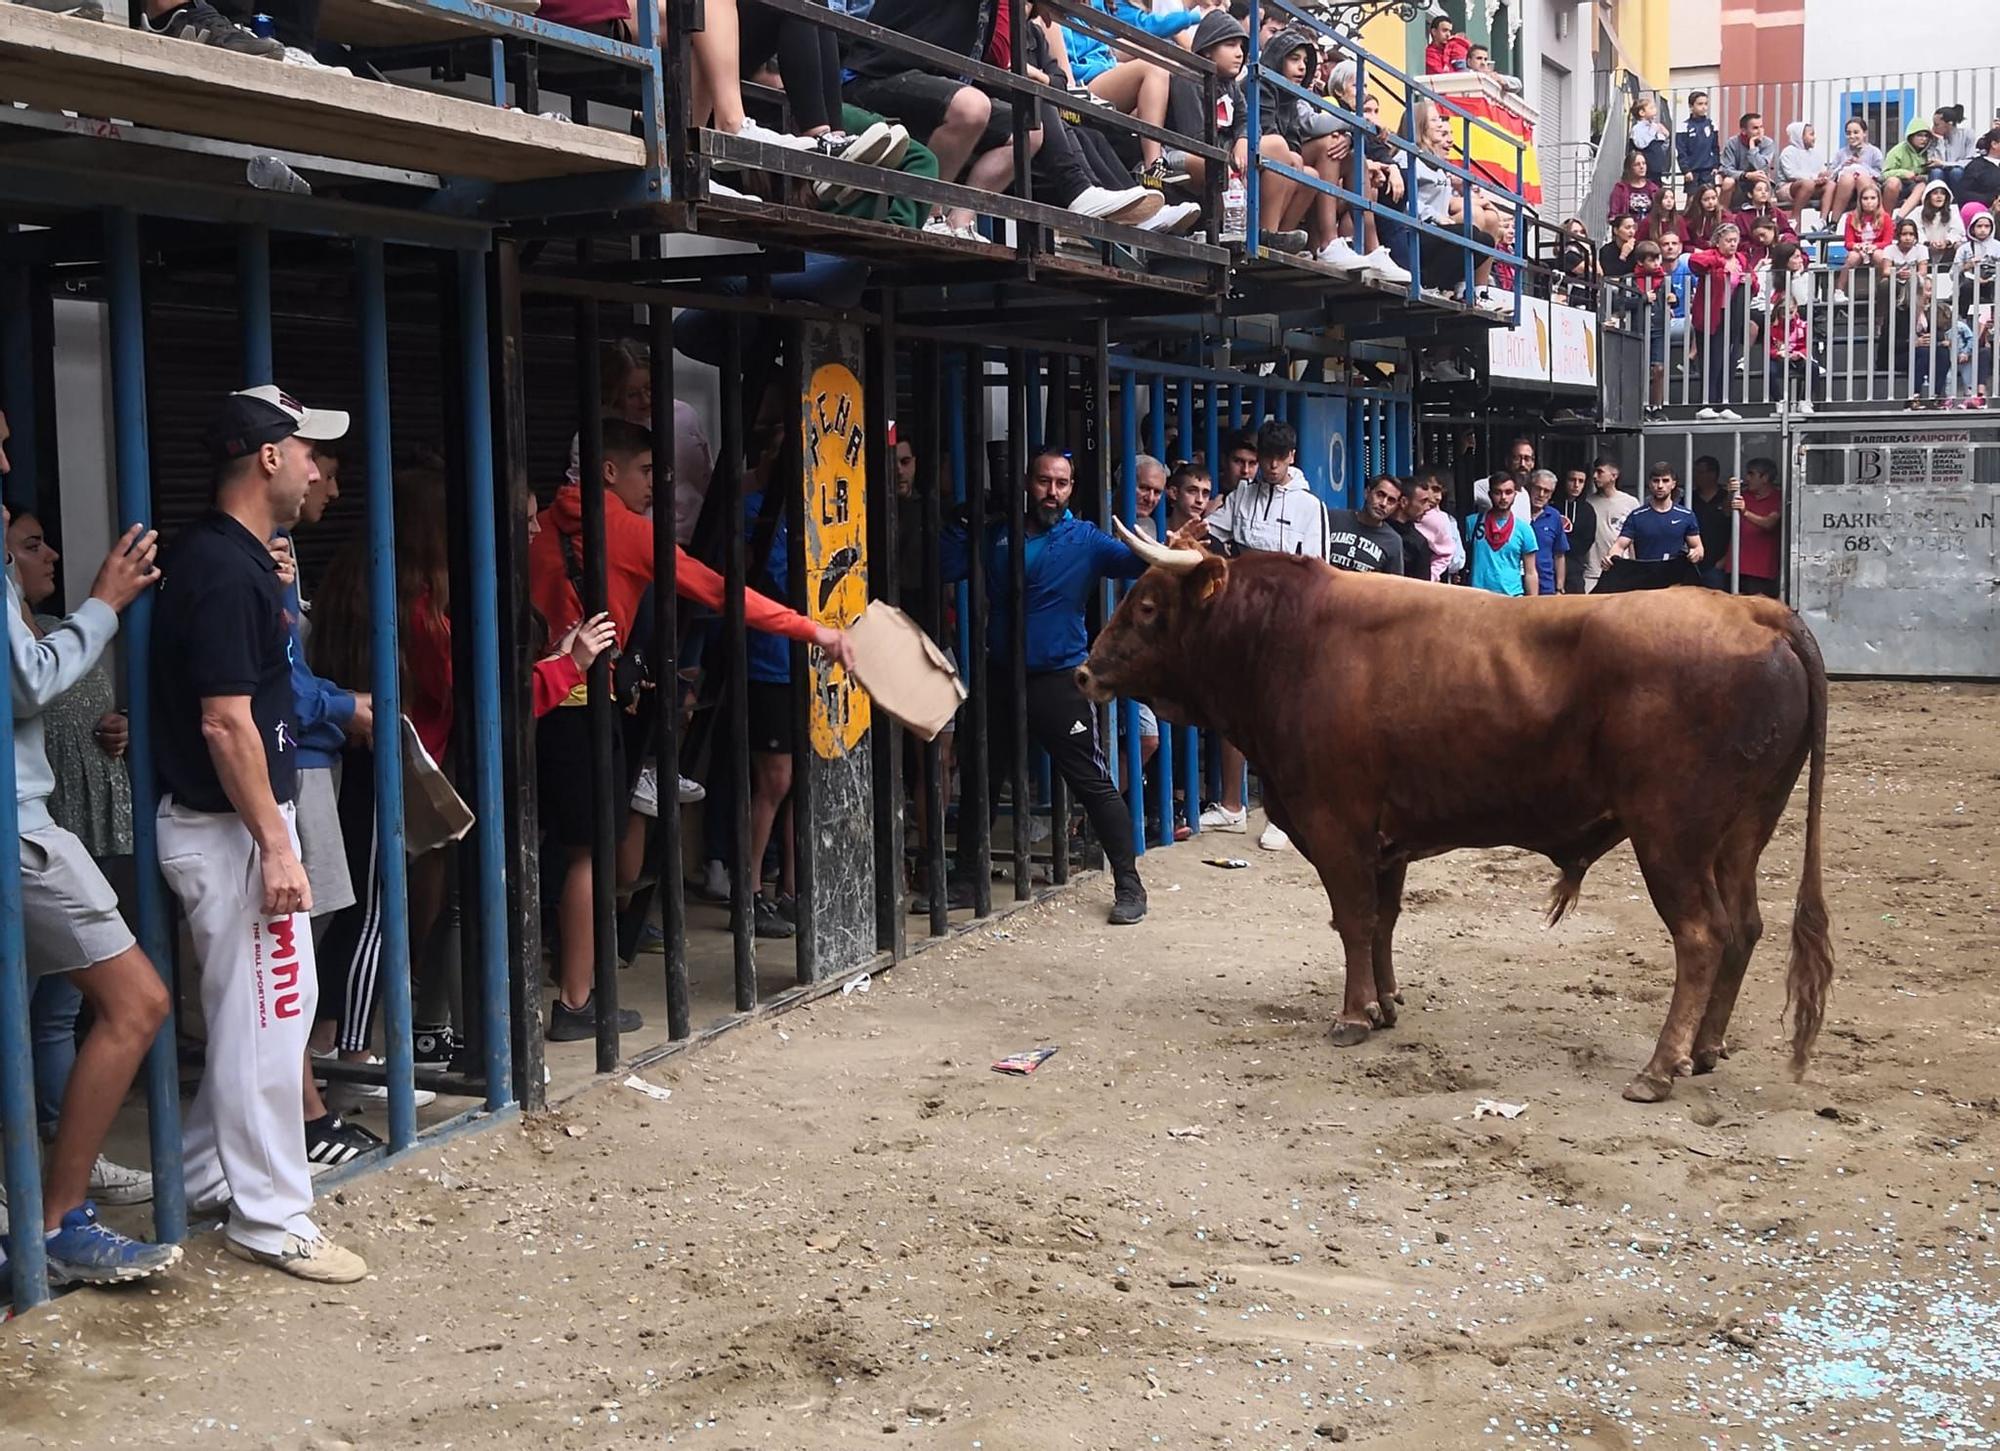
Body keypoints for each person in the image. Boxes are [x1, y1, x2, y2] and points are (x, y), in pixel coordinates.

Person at [528, 417, 855, 1038]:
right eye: (647, 471)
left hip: (534, 700)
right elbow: (719, 591)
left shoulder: (540, 525)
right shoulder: (623, 531)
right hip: (582, 703)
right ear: (609, 471)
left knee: (565, 850)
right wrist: (816, 631)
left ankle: (577, 988)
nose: (658, 484)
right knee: (590, 858)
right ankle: (575, 1003)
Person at [150, 387, 368, 1283]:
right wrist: (278, 845)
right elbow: (224, 724)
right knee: (269, 1026)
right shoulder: (221, 567)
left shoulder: (238, 561)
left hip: (238, 822)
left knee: (269, 1020)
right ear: (268, 457)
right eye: (306, 449)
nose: (319, 467)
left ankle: (208, 1172)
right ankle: (272, 1216)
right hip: (230, 827)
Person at [3, 478, 177, 1286]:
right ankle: (56, 1220)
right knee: (137, 1000)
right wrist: (104, 604)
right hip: (21, 824)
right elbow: (29, 682)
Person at [940, 449, 1150, 922]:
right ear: (1027, 483)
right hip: (1000, 675)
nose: (1051, 492)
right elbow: (946, 565)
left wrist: (1172, 543)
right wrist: (959, 521)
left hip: (1060, 680)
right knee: (980, 778)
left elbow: (1137, 564)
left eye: (1061, 483)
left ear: (1071, 488)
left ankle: (1130, 885)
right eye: (1043, 481)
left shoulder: (1086, 540)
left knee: (1093, 782)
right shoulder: (999, 532)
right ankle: (970, 880)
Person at [1200, 418, 1327, 837]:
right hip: (1242, 615)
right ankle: (1233, 804)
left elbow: (1317, 569)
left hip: (1287, 619)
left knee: (1283, 721)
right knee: (1236, 712)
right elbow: (1212, 533)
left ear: (1291, 457)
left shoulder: (1310, 507)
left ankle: (1282, 816)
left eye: (1277, 458)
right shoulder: (1241, 496)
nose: (1269, 466)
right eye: (1264, 458)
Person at [1689, 220, 1751, 418]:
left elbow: (1753, 281)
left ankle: (1724, 404)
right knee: (1711, 358)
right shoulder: (1711, 256)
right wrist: (1721, 264)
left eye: (1735, 240)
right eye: (1728, 241)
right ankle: (1705, 403)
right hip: (1710, 314)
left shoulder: (1741, 259)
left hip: (1732, 313)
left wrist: (1748, 280)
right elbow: (1695, 262)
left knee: (1730, 358)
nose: (1733, 244)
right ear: (1718, 242)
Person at [1611, 462, 1703, 565]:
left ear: (1673, 484)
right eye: (1656, 481)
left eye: (1665, 481)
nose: (1660, 486)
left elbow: (1698, 547)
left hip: (1675, 577)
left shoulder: (1686, 516)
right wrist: (1610, 557)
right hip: (1645, 577)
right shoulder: (1637, 516)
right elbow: (1619, 545)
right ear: (1650, 484)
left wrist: (1696, 553)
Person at [1462, 473, 1537, 597]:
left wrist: (1533, 605)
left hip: (1512, 598)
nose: (1503, 497)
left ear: (1515, 495)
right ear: (1490, 494)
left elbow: (1530, 572)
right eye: (1498, 492)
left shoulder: (1524, 529)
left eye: (1508, 492)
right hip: (1477, 597)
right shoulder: (1471, 523)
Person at [1324, 475, 1404, 576]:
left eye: (1391, 501)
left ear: (1396, 507)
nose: (1383, 504)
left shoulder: (1393, 541)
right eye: (1380, 495)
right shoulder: (1332, 518)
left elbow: (1393, 585)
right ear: (1367, 493)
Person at [1582, 455, 1635, 591]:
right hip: (1592, 572)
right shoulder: (1587, 503)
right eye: (1594, 472)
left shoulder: (1630, 503)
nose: (1594, 476)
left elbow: (1634, 541)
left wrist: (1634, 568)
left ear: (1614, 475)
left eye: (1600, 472)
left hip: (1621, 572)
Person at [1732, 456, 1784, 598]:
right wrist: (1732, 493)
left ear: (1765, 477)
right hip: (1737, 565)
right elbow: (1725, 512)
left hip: (1762, 568)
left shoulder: (1778, 498)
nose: (1747, 478)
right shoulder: (1744, 495)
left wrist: (1745, 512)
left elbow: (1769, 524)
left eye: (1751, 474)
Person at [1827, 118, 1887, 224]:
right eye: (1848, 133)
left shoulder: (1874, 152)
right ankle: (1833, 222)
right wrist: (1843, 165)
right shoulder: (1841, 153)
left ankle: (1869, 220)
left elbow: (1880, 175)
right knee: (1847, 177)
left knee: (1861, 177)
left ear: (1864, 133)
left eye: (1856, 132)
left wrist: (1861, 164)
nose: (1852, 136)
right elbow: (1831, 174)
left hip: (1867, 186)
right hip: (1844, 188)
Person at [1687, 455, 1735, 588]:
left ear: (1713, 474)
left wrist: (1725, 561)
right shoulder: (1689, 499)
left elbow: (1739, 531)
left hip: (1719, 565)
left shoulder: (1727, 498)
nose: (1696, 476)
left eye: (1700, 472)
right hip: (1693, 564)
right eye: (1695, 472)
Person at [1410, 467, 1461, 582]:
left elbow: (1450, 556)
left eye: (1440, 492)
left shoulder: (1439, 519)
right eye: (1434, 489)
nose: (1438, 497)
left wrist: (1429, 577)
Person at [1524, 469, 1568, 595]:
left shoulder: (1554, 516)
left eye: (1547, 491)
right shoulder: (1518, 512)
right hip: (1518, 585)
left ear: (1551, 494)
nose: (1541, 494)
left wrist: (1559, 588)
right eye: (1538, 488)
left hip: (1546, 587)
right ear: (1530, 488)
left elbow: (1559, 555)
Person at [1719, 111, 1775, 210]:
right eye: (1755, 128)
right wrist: (1746, 175)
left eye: (1761, 127)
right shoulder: (1732, 143)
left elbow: (1761, 167)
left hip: (1758, 183)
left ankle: (1768, 216)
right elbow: (1726, 169)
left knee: (1763, 180)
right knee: (1728, 182)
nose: (1760, 131)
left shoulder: (1768, 143)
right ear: (1743, 131)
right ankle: (1723, 216)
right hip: (1738, 183)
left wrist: (1752, 147)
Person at [1553, 466, 1596, 594]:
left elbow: (1586, 542)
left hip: (1576, 571)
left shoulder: (1588, 511)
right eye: (1572, 480)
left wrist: (1563, 545)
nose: (1576, 485)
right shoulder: (1553, 507)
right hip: (1551, 569)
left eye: (1581, 481)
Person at [1905, 180, 1967, 267]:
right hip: (1925, 250)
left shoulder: (1952, 211)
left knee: (1960, 246)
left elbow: (1958, 231)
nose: (1939, 196)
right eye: (1935, 193)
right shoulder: (1918, 212)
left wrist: (1947, 242)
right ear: (1928, 196)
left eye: (1942, 193)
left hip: (1947, 250)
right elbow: (1914, 230)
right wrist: (1928, 243)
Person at [1777, 120, 1832, 216]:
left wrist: (1824, 177)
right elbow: (1791, 175)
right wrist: (1814, 178)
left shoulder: (1815, 154)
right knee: (1808, 184)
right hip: (1788, 187)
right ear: (1800, 136)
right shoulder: (1788, 152)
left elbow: (1820, 171)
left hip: (1811, 185)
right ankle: (1794, 218)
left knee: (1830, 185)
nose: (1814, 138)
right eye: (1811, 134)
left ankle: (1822, 221)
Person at [1388, 476, 1435, 582]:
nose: (1427, 507)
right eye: (1423, 501)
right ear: (1404, 502)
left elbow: (1423, 587)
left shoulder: (1419, 542)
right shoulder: (1376, 528)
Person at [1882, 122, 1935, 212]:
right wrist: (1904, 173)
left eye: (1926, 136)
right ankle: (1886, 217)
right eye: (1919, 135)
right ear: (1911, 136)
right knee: (1893, 182)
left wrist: (1923, 177)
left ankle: (1899, 217)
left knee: (1922, 186)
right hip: (1898, 186)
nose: (1924, 139)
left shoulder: (1930, 152)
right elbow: (1884, 174)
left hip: (1916, 187)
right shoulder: (1897, 151)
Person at [1675, 91, 1719, 192]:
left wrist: (1716, 165)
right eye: (1700, 104)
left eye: (1706, 104)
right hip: (1692, 171)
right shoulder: (1684, 126)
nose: (1704, 107)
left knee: (1709, 197)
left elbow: (1715, 147)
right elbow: (1681, 151)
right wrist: (1685, 170)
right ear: (1691, 106)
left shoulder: (1712, 125)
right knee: (1691, 200)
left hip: (1708, 170)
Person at [1608, 152, 1661, 235]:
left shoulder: (1653, 188)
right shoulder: (1620, 189)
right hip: (1628, 233)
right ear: (1630, 168)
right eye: (1637, 164)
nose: (1642, 167)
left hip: (1649, 233)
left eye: (1644, 163)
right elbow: (1614, 215)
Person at [1931, 105, 1973, 191]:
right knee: (1936, 172)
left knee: (1956, 172)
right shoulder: (1936, 138)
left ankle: (1958, 200)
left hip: (1962, 173)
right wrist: (1940, 141)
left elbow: (1969, 162)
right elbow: (1937, 161)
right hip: (1943, 173)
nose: (1933, 128)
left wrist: (1944, 164)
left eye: (1936, 125)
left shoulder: (1967, 133)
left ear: (1949, 124)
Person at [1162, 463, 1212, 535]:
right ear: (1174, 493)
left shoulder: (1212, 544)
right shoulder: (1153, 531)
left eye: (1205, 494)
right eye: (1192, 491)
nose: (1200, 500)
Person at [1960, 128, 2000, 212]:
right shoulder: (1976, 166)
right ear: (1994, 144)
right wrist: (1991, 199)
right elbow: (1964, 193)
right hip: (1985, 211)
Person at [1131, 454, 1167, 542]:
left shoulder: (1151, 526)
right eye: (1144, 488)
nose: (1150, 499)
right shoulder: (1098, 518)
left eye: (1157, 492)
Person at [1599, 212, 1640, 278]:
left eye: (1634, 227)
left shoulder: (1640, 248)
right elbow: (1610, 274)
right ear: (1616, 230)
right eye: (1627, 228)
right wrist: (1623, 256)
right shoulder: (1606, 250)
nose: (1632, 231)